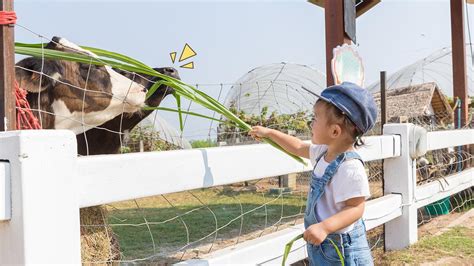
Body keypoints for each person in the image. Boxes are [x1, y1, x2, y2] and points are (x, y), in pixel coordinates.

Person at [249, 82, 377, 265]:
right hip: (322, 242)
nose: (311, 123)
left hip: (341, 248)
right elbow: (298, 146)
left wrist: (325, 227)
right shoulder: (322, 152)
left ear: (334, 131)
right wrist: (270, 133)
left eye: (315, 118)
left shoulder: (350, 167)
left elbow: (356, 208)